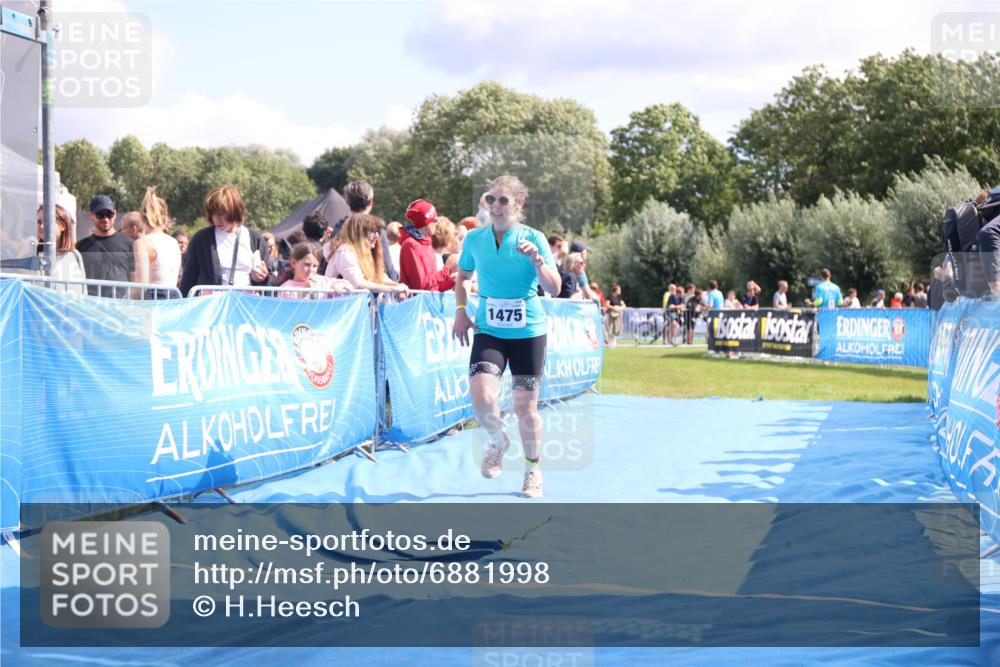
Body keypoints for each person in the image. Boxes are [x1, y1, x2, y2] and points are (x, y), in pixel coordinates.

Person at [452, 175, 560, 499]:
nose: (496, 207)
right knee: (482, 397)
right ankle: (498, 438)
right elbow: (463, 277)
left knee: (525, 407)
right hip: (489, 331)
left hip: (527, 334)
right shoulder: (473, 239)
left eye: (503, 200)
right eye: (491, 200)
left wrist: (538, 263)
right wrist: (460, 310)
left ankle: (532, 470)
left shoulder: (535, 239)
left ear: (519, 204)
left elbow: (554, 288)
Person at [178, 185, 273, 297]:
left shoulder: (255, 238)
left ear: (235, 211)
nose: (217, 218)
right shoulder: (201, 239)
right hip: (212, 306)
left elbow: (270, 281)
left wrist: (262, 278)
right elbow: (189, 279)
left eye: (222, 213)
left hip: (247, 306)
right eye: (214, 213)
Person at [326, 213, 409, 294]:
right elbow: (358, 283)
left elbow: (380, 277)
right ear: (358, 233)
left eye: (378, 232)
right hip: (339, 306)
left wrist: (399, 285)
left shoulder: (367, 253)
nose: (377, 236)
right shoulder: (345, 251)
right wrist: (393, 289)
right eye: (372, 231)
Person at [333, 180, 399, 281]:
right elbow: (388, 269)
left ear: (347, 201)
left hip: (340, 291)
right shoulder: (377, 229)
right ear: (371, 201)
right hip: (369, 290)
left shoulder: (339, 228)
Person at [76, 194, 135, 297]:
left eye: (109, 214)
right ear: (92, 216)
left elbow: (136, 280)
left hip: (121, 307)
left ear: (115, 214)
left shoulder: (129, 244)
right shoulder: (81, 247)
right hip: (91, 307)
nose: (105, 219)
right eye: (100, 214)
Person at [398, 199, 456, 292]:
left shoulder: (427, 242)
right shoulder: (410, 244)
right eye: (435, 219)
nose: (437, 223)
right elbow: (420, 286)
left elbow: (432, 287)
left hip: (427, 302)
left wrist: (453, 280)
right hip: (415, 304)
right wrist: (447, 269)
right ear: (425, 222)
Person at [133, 187, 182, 294]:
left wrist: (119, 302)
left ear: (141, 217)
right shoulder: (174, 242)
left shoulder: (142, 243)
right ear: (165, 218)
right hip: (173, 300)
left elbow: (140, 286)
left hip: (153, 303)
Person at [36, 204, 86, 293]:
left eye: (47, 221)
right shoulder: (34, 255)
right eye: (39, 222)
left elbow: (83, 291)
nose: (42, 226)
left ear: (63, 225)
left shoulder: (75, 255)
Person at [279, 242, 352, 298]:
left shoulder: (322, 281)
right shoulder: (286, 288)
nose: (311, 270)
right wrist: (304, 292)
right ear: (294, 263)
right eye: (307, 265)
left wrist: (337, 285)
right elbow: (287, 309)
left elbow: (349, 286)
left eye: (315, 266)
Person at [604, 283, 625, 347]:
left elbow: (624, 305)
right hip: (610, 315)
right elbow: (607, 305)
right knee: (610, 330)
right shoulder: (609, 297)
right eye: (619, 290)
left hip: (617, 316)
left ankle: (613, 345)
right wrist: (614, 308)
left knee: (615, 330)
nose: (620, 291)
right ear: (615, 290)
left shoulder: (619, 297)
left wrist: (619, 308)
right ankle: (610, 344)